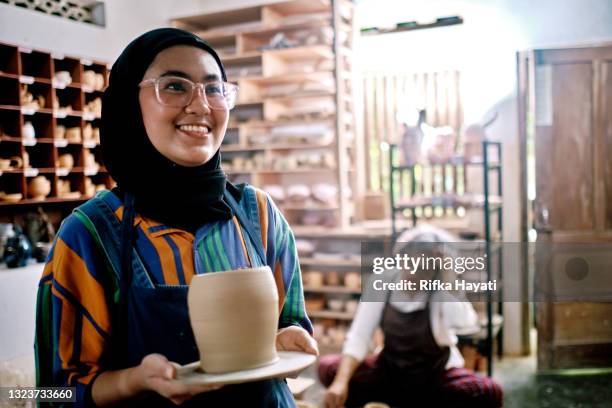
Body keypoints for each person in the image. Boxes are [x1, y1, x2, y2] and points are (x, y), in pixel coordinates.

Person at [35, 28, 318, 407]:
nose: (201, 106)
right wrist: (133, 381)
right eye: (174, 86)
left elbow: (291, 323)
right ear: (129, 103)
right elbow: (46, 394)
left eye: (214, 89)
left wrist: (286, 340)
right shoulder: (91, 234)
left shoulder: (259, 215)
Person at [319, 226, 503, 407]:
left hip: (434, 376)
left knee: (488, 390)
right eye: (410, 263)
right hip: (389, 372)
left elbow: (465, 324)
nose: (413, 274)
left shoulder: (442, 288)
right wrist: (340, 383)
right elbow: (359, 337)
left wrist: (449, 277)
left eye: (424, 267)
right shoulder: (383, 281)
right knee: (329, 368)